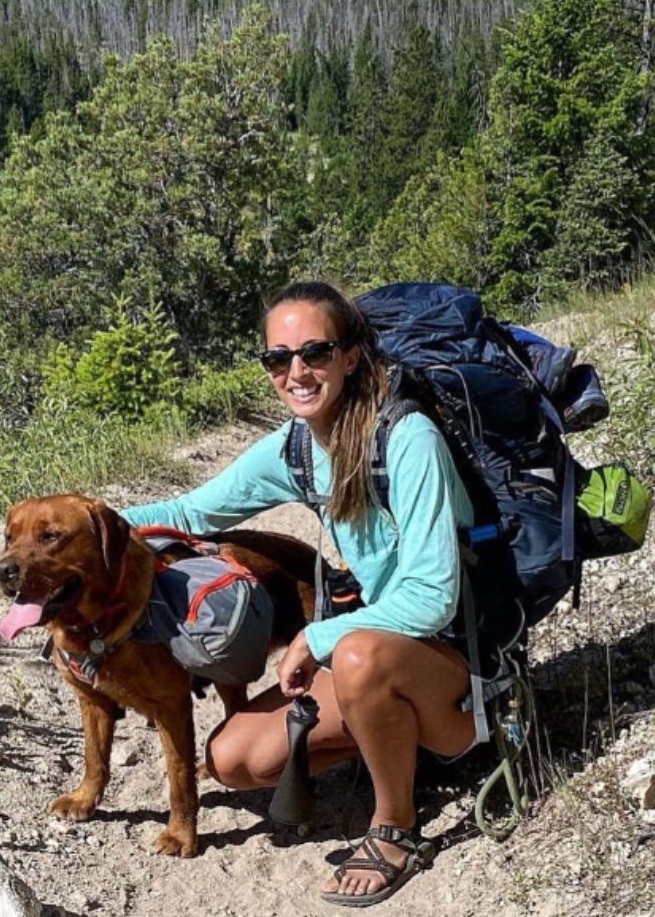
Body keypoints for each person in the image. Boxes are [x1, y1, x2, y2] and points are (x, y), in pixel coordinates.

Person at [121, 280, 477, 906]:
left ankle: (395, 826)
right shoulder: (296, 450)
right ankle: (392, 741)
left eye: (314, 353)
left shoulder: (407, 439)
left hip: (457, 665)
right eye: (278, 359)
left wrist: (318, 636)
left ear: (351, 356)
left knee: (359, 652)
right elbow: (188, 512)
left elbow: (433, 596)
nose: (296, 372)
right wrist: (81, 527)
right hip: (380, 654)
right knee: (232, 761)